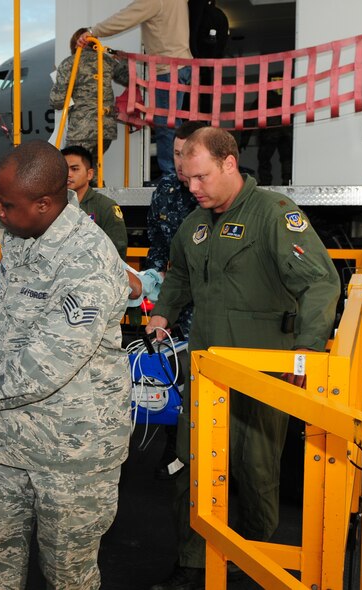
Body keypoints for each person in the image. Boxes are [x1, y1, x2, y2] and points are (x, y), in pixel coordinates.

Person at [145, 128, 339, 589]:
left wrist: (307, 353)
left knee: (255, 469)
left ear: (230, 164)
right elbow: (178, 280)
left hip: (261, 372)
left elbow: (320, 283)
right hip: (205, 372)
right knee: (192, 467)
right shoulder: (194, 224)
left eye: (200, 177)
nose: (192, 188)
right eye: (186, 179)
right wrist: (163, 316)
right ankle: (192, 562)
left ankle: (255, 555)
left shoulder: (274, 215)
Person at [0, 140, 131, 589]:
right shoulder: (21, 232)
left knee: (67, 574)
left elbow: (46, 366)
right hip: (10, 439)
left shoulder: (88, 262)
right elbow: (7, 309)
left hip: (72, 452)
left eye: (5, 203)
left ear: (44, 203)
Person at [144, 120, 207, 481]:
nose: (181, 163)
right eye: (176, 154)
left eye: (188, 154)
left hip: (206, 307)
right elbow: (156, 238)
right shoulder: (166, 190)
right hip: (174, 304)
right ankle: (176, 447)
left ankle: (204, 449)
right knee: (173, 375)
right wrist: (155, 276)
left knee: (204, 377)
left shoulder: (213, 193)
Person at [78, 0, 193, 176]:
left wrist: (93, 31)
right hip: (181, 64)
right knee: (173, 124)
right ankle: (180, 173)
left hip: (167, 68)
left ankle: (171, 177)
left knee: (166, 127)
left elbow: (126, 17)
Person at [51, 28, 129, 165]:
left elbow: (57, 101)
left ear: (75, 44)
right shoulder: (107, 61)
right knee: (91, 168)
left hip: (81, 130)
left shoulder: (69, 63)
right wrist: (123, 61)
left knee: (75, 169)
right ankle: (97, 184)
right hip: (106, 130)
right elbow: (128, 80)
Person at [61, 145, 128, 260]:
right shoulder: (52, 206)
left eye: (75, 169)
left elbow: (117, 250)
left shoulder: (105, 206)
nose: (68, 174)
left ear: (89, 174)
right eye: (64, 169)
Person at [240, 81, 293, 186]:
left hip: (269, 134)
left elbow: (249, 121)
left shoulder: (261, 101)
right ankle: (287, 181)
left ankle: (266, 182)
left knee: (264, 160)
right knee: (286, 159)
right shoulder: (281, 100)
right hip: (284, 132)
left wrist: (244, 140)